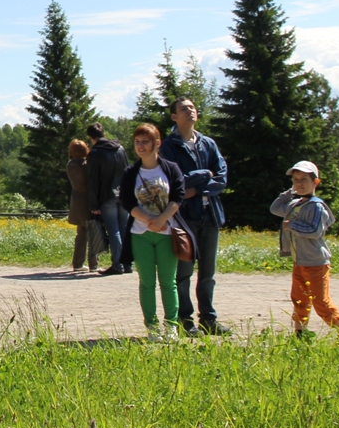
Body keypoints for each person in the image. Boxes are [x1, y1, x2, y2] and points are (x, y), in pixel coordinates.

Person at [159, 98, 231, 335]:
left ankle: (209, 319)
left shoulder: (208, 144)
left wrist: (198, 188)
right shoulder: (169, 146)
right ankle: (185, 320)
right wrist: (204, 175)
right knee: (184, 273)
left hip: (211, 215)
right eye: (184, 109)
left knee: (208, 273)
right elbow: (175, 180)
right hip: (184, 217)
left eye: (192, 107)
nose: (190, 111)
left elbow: (221, 177)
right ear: (174, 117)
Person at [117, 123, 188, 341]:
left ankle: (171, 326)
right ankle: (152, 327)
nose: (141, 146)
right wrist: (149, 220)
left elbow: (178, 197)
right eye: (137, 142)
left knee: (168, 282)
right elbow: (127, 202)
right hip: (140, 234)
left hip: (167, 233)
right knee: (146, 282)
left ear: (157, 143)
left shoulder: (170, 169)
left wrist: (161, 219)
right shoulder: (131, 172)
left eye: (145, 141)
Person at [270, 161, 339, 336]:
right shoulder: (295, 204)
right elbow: (275, 208)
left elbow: (315, 231)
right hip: (300, 261)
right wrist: (290, 192)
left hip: (315, 262)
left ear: (315, 182)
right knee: (299, 299)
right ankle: (300, 333)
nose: (299, 183)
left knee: (321, 301)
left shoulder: (317, 206)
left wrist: (293, 225)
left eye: (304, 179)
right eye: (295, 180)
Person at [86, 123, 130, 276]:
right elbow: (128, 171)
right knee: (124, 229)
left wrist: (94, 204)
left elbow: (93, 181)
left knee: (113, 230)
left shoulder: (95, 153)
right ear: (103, 133)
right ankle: (127, 263)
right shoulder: (120, 149)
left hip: (107, 196)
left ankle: (117, 264)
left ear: (91, 137)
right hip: (123, 194)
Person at [66, 139, 100, 272]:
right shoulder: (87, 165)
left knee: (81, 233)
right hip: (89, 201)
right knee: (93, 232)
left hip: (76, 202)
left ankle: (78, 263)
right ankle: (94, 264)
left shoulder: (70, 165)